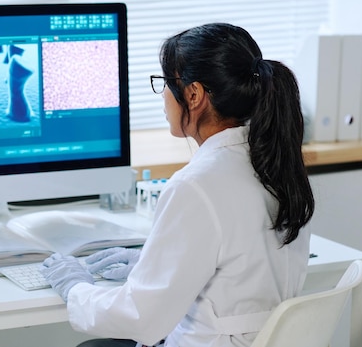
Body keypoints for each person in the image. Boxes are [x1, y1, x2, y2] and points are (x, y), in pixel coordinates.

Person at [40, 22, 315, 347]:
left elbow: (141, 319)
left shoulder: (197, 186)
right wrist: (152, 264)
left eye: (165, 83)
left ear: (194, 95)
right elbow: (237, 266)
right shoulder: (274, 164)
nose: (163, 96)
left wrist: (76, 289)